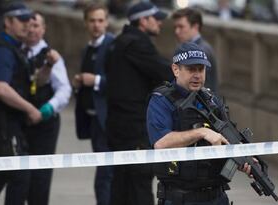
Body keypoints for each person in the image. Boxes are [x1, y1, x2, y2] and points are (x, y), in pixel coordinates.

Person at [0, 3, 57, 205]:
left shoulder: (16, 49)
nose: (27, 25)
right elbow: (1, 88)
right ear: (7, 22)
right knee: (20, 175)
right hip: (4, 124)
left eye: (29, 20)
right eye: (22, 20)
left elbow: (33, 82)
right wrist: (30, 109)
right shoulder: (1, 51)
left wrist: (49, 65)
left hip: (10, 123)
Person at [147, 42, 253, 205]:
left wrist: (243, 159)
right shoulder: (162, 101)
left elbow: (227, 138)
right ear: (176, 70)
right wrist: (202, 132)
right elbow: (161, 143)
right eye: (191, 69)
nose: (197, 75)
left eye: (201, 69)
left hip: (216, 196)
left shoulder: (211, 100)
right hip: (181, 198)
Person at [105, 2, 173, 205]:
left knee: (121, 186)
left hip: (119, 127)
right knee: (139, 186)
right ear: (143, 21)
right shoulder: (137, 44)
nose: (160, 23)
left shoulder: (119, 42)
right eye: (156, 18)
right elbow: (165, 72)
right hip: (134, 130)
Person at [23, 12, 72, 205]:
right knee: (18, 177)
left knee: (40, 177)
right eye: (29, 25)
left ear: (43, 29)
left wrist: (46, 110)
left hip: (45, 123)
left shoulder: (51, 56)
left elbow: (64, 89)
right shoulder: (17, 51)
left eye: (37, 26)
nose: (32, 29)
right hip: (21, 121)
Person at [72, 3, 114, 205]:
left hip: (108, 120)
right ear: (85, 23)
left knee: (105, 174)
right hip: (93, 118)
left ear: (106, 22)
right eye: (92, 21)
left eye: (100, 20)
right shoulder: (87, 49)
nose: (97, 25)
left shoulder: (112, 46)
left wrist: (95, 80)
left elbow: (121, 82)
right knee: (103, 170)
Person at [172, 8, 219, 93]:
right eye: (175, 27)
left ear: (195, 27)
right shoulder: (185, 48)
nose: (177, 31)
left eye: (181, 27)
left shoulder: (202, 51)